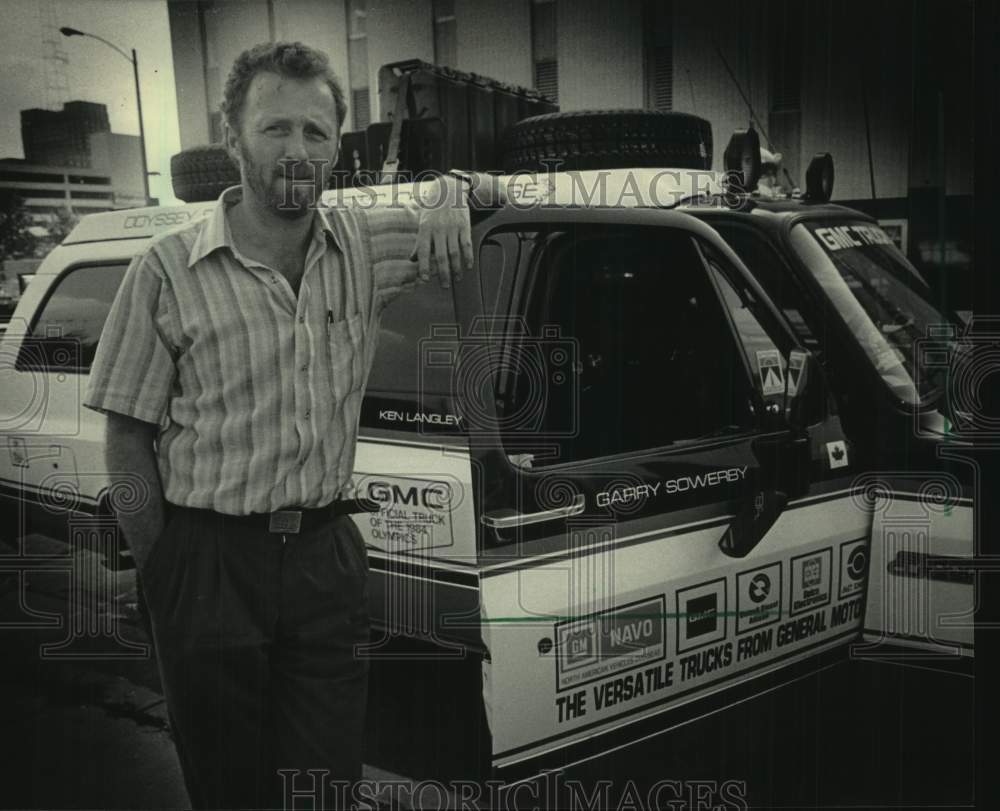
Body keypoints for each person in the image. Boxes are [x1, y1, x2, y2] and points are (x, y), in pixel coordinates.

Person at [84, 41, 481, 810]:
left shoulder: (366, 249)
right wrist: (166, 569)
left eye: (315, 131)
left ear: (337, 145)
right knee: (228, 785)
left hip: (324, 562)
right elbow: (127, 434)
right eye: (275, 129)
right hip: (206, 559)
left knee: (326, 784)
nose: (297, 150)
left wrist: (449, 191)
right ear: (232, 138)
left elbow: (507, 201)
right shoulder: (163, 272)